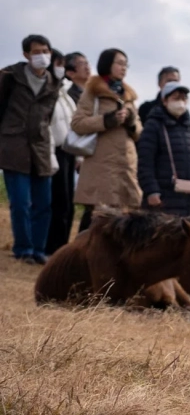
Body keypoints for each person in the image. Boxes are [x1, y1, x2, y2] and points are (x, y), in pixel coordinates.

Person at [0, 34, 59, 264]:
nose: (41, 56)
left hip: (41, 148)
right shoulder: (10, 76)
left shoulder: (54, 82)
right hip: (14, 145)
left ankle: (38, 249)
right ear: (26, 55)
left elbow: (49, 115)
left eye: (45, 51)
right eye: (36, 52)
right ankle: (23, 249)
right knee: (21, 203)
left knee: (44, 204)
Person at [72, 48, 142, 233]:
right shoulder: (92, 92)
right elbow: (78, 123)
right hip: (100, 163)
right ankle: (81, 257)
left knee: (120, 218)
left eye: (126, 64)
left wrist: (131, 122)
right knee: (96, 217)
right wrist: (107, 120)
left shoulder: (128, 95)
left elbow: (139, 132)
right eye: (119, 63)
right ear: (106, 64)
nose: (123, 68)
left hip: (125, 162)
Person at [136, 80, 190, 217]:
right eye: (176, 98)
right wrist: (151, 190)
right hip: (163, 201)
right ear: (165, 101)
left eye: (184, 98)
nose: (180, 102)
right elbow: (145, 163)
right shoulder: (153, 126)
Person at [46, 49, 77, 254]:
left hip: (68, 151)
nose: (61, 67)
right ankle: (51, 247)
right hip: (52, 150)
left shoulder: (64, 91)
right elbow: (46, 124)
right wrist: (49, 155)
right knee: (57, 202)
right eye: (57, 63)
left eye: (62, 63)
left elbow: (73, 123)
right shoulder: (46, 91)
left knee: (67, 204)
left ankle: (61, 247)